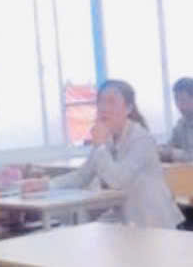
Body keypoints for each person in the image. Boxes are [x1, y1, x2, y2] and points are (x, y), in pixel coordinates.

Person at [24, 80, 183, 229]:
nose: (104, 107)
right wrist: (47, 185)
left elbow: (117, 181)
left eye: (111, 101)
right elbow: (82, 176)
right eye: (100, 101)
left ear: (128, 108)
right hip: (126, 219)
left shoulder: (142, 139)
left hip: (154, 221)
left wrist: (99, 145)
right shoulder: (106, 137)